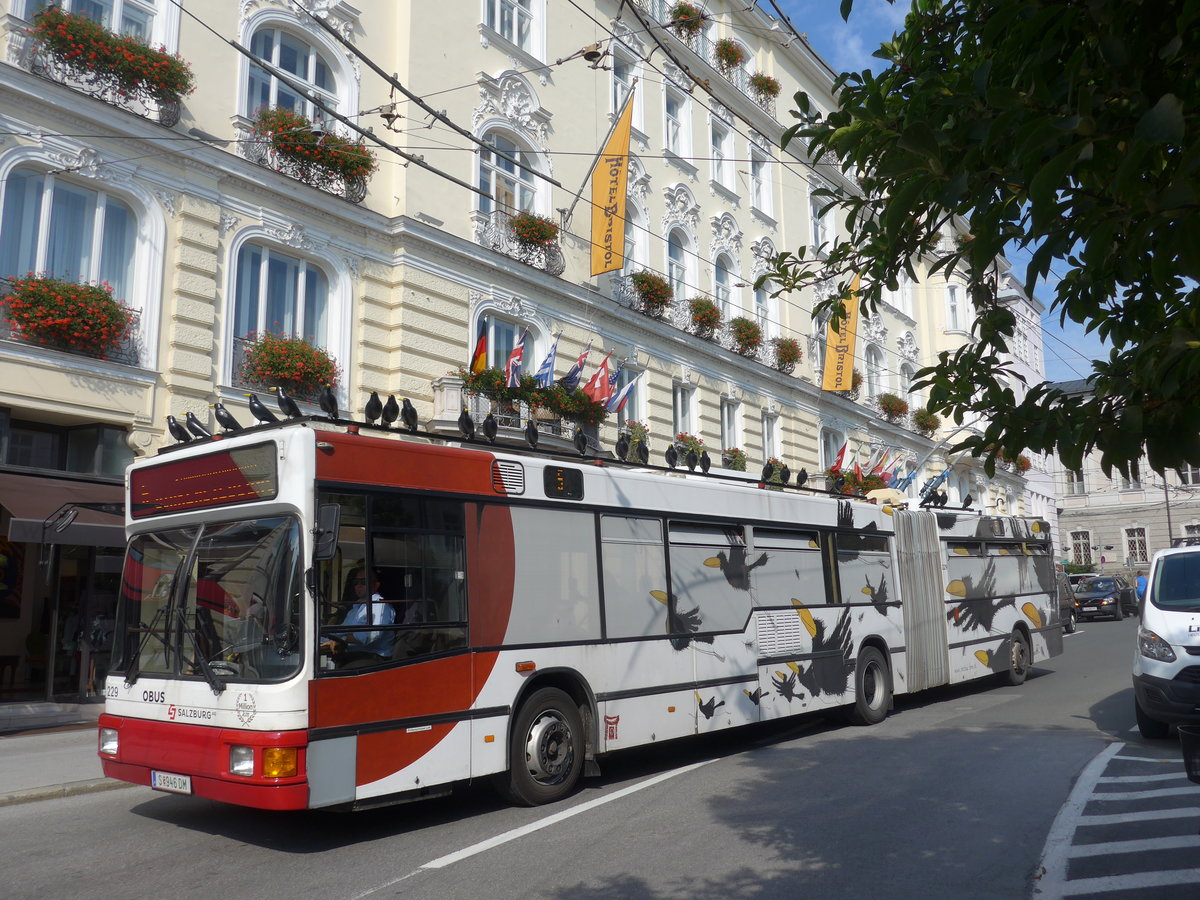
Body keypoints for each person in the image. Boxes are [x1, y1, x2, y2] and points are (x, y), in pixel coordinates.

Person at [321, 568, 395, 659]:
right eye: (356, 582)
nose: (358, 586)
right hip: (355, 654)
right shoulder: (355, 608)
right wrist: (324, 638)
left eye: (364, 582)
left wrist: (340, 640)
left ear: (376, 585)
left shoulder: (380, 606)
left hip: (374, 657)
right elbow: (343, 630)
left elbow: (368, 636)